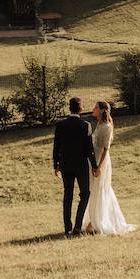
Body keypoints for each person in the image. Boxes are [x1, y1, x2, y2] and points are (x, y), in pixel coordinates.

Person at [81, 100, 136, 236]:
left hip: (101, 161)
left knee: (99, 189)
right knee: (95, 189)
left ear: (101, 110)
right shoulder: (99, 124)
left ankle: (96, 222)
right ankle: (93, 221)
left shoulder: (106, 126)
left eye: (95, 107)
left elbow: (105, 148)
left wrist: (98, 166)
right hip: (94, 159)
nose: (93, 109)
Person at [52, 96, 97, 236]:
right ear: (81, 109)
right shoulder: (86, 125)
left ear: (69, 108)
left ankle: (67, 227)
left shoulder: (60, 125)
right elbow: (89, 149)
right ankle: (78, 226)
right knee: (85, 193)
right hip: (81, 165)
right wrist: (95, 165)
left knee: (68, 195)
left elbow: (56, 147)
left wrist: (56, 165)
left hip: (65, 164)